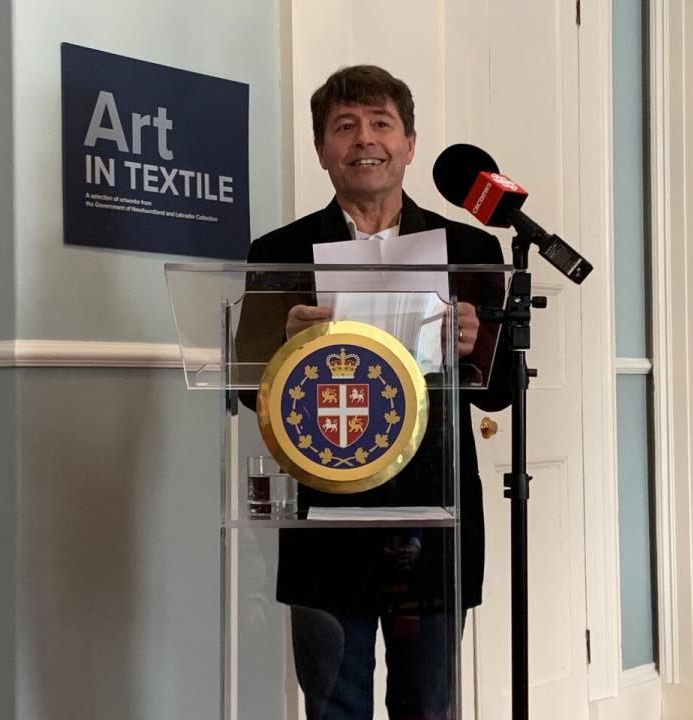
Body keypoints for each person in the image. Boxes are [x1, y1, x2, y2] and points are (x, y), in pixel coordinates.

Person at [241, 65, 511, 719]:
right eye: (344, 126)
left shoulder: (470, 248)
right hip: (326, 521)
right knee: (334, 703)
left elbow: (498, 396)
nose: (365, 139)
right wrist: (287, 346)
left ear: (410, 144)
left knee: (429, 703)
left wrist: (476, 349)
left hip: (434, 516)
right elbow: (250, 389)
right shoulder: (279, 251)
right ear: (321, 149)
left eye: (381, 123)